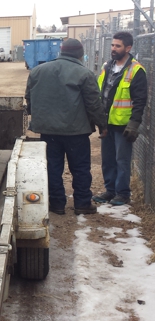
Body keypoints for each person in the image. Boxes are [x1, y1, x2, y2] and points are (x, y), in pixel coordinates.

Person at [25, 38, 107, 215]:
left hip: (48, 131)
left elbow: (29, 99)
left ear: (61, 51)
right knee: (80, 169)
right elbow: (93, 103)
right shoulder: (84, 73)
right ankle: (82, 204)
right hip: (76, 132)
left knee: (53, 168)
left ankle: (56, 204)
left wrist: (40, 117)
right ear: (80, 53)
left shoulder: (38, 71)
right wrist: (102, 124)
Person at [92, 31, 147, 206]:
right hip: (107, 122)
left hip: (124, 124)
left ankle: (122, 193)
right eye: (112, 45)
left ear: (128, 48)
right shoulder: (107, 66)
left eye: (118, 46)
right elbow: (101, 93)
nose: (113, 49)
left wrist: (134, 123)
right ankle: (110, 191)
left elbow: (140, 100)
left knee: (122, 160)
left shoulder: (136, 70)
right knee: (108, 159)